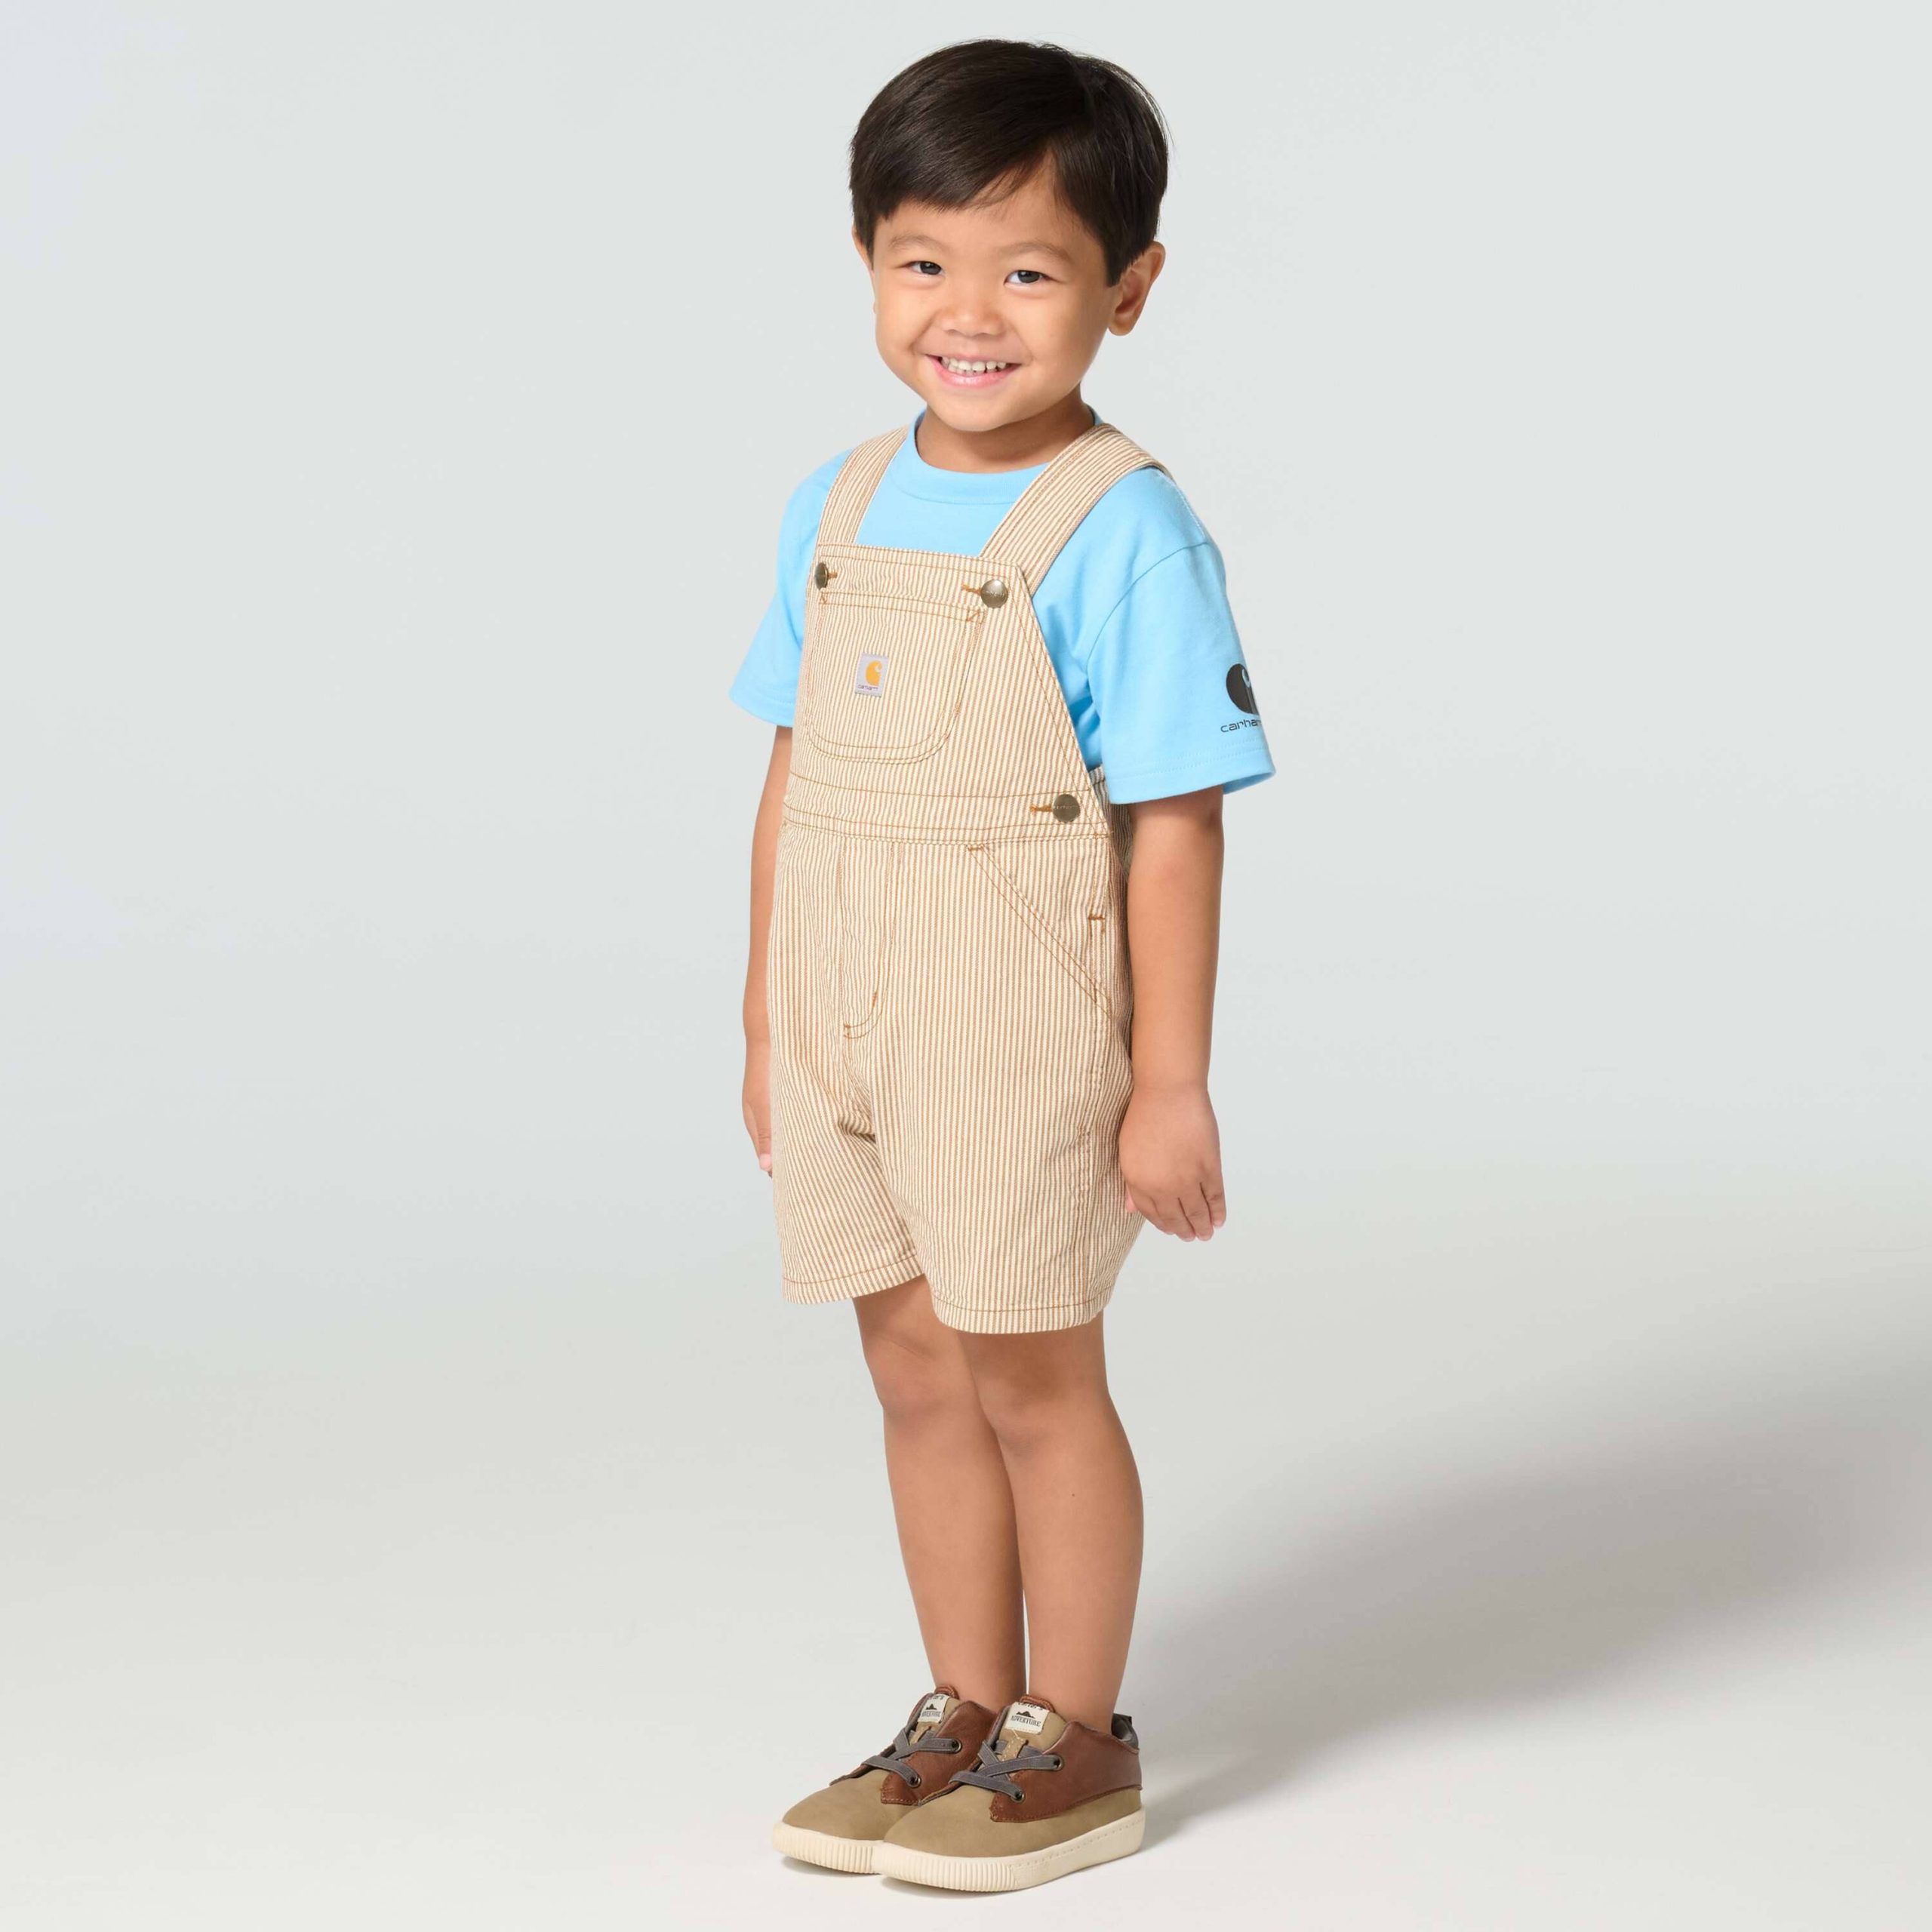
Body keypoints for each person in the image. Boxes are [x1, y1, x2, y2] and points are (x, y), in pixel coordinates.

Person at [731, 38, 1275, 1893]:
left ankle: (1077, 1730)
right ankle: (961, 1703)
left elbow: (1175, 822)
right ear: (867, 262)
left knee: (1033, 1371)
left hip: (1013, 1017)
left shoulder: (1123, 525)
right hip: (842, 1009)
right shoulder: (835, 503)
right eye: (922, 261)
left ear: (1126, 287)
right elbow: (794, 769)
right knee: (907, 1362)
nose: (967, 314)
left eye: (1027, 269)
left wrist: (1169, 1078)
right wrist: (764, 1021)